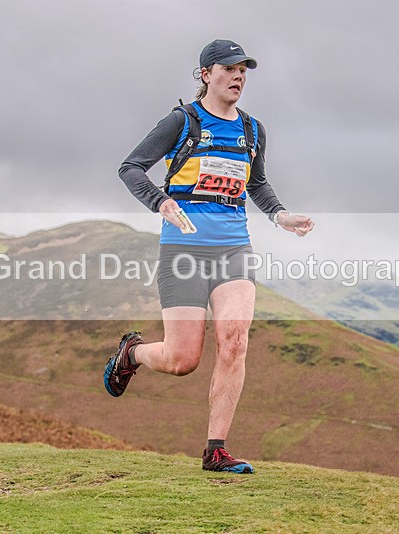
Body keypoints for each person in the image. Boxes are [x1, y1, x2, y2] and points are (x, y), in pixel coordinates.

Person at [107, 39, 315, 473]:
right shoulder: (182, 121)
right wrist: (160, 201)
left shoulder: (253, 129)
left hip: (233, 248)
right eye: (230, 69)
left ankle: (215, 449)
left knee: (235, 341)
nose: (238, 77)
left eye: (244, 70)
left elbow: (256, 183)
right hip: (183, 248)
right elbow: (131, 167)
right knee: (182, 360)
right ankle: (132, 354)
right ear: (206, 74)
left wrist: (280, 215)